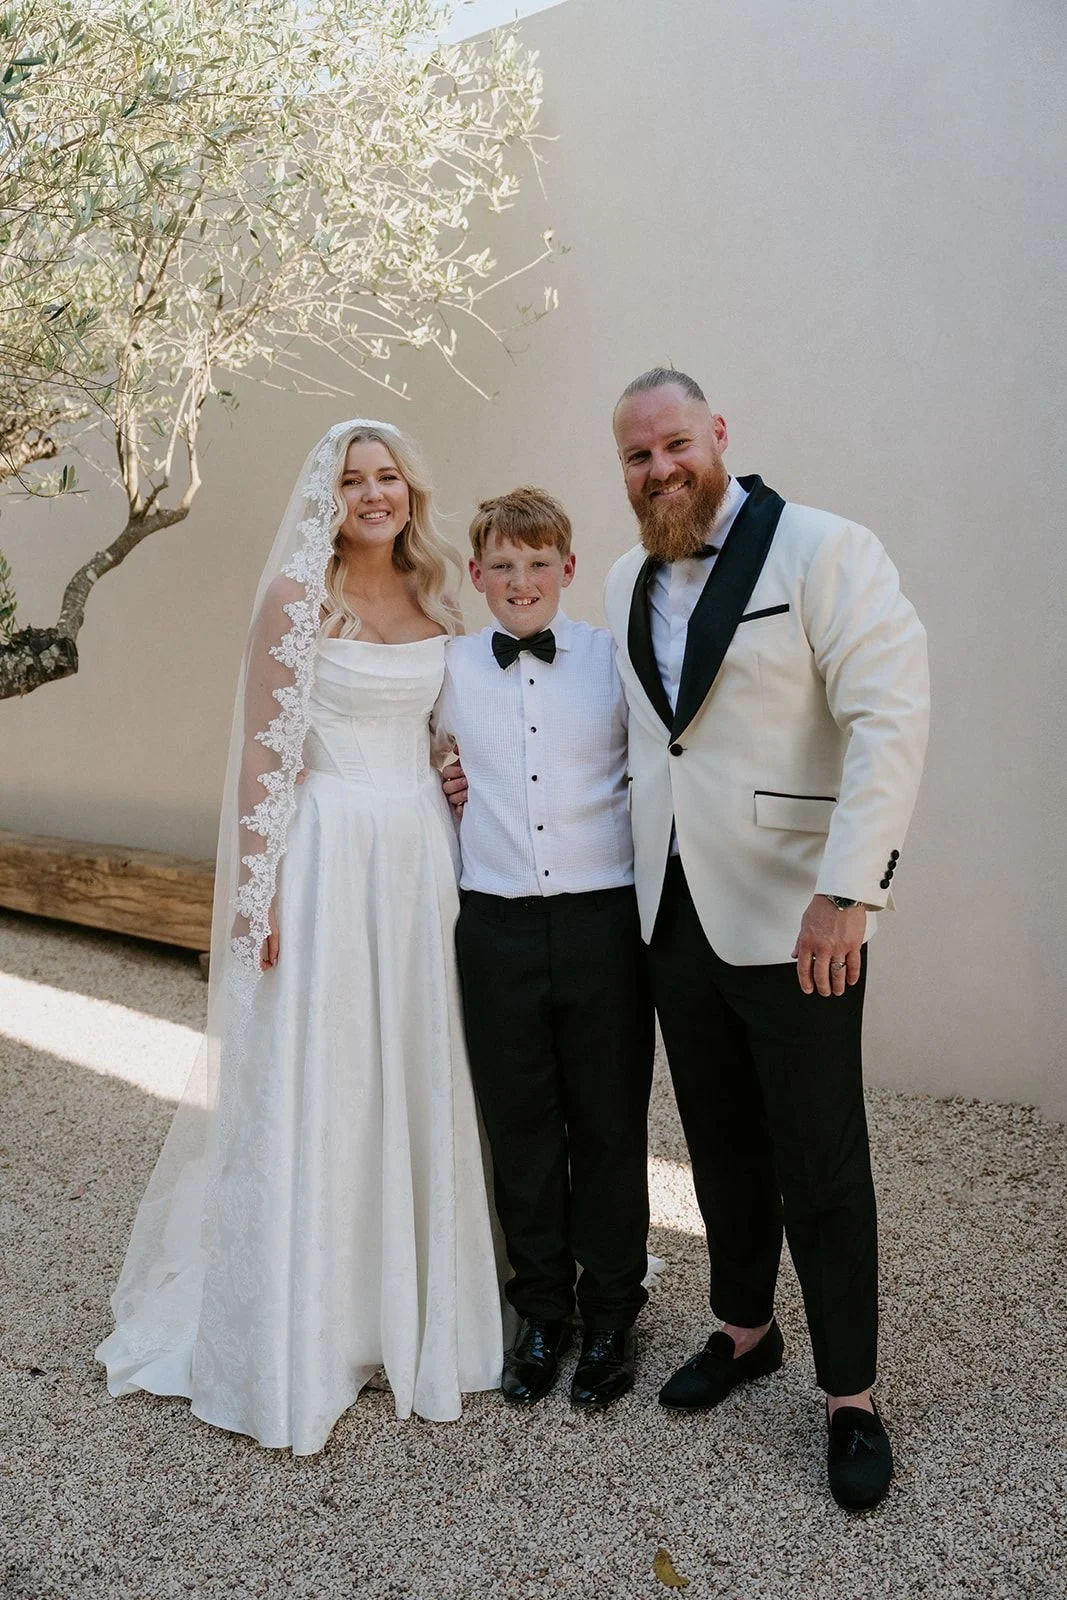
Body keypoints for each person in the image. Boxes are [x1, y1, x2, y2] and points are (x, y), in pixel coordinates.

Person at [96, 420, 503, 1454]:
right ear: (328, 496)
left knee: (407, 1068)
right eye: (353, 480)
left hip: (415, 856)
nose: (373, 494)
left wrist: (452, 773)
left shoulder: (437, 598)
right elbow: (263, 758)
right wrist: (259, 895)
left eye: (387, 478)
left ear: (410, 489)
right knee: (326, 1075)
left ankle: (399, 1314)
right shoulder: (297, 599)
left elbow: (445, 731)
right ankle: (302, 1327)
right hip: (325, 857)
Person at [603, 368, 930, 1509]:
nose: (659, 469)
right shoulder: (617, 575)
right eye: (636, 457)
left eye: (674, 444)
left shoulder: (825, 550)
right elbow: (638, 742)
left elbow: (889, 718)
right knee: (719, 1143)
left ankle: (850, 1394)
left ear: (718, 435)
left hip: (802, 917)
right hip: (671, 914)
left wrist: (850, 892)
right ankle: (744, 1331)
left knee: (821, 1162)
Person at [435, 487, 655, 1410]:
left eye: (538, 564)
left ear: (567, 569)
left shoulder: (614, 660)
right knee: (519, 1127)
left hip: (603, 921)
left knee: (606, 1124)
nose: (520, 582)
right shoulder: (443, 666)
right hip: (495, 925)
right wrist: (438, 780)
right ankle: (540, 1314)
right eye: (502, 566)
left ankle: (609, 1312)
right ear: (477, 575)